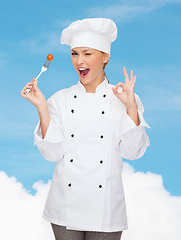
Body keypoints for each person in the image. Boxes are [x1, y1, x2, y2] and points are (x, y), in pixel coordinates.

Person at [21, 18, 151, 240]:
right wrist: (42, 106)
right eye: (74, 54)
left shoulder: (124, 98)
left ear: (105, 57)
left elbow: (133, 152)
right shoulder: (59, 100)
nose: (79, 61)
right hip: (65, 206)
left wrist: (130, 107)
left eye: (87, 53)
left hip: (106, 208)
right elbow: (52, 153)